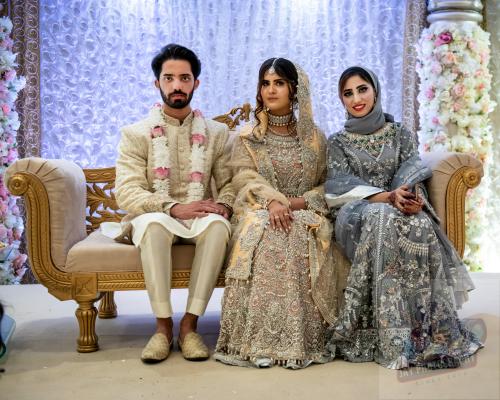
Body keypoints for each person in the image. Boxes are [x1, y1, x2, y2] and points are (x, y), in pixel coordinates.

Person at [324, 66, 482, 369]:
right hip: (359, 212)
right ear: (341, 100)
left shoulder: (400, 134)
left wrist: (412, 199)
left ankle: (425, 331)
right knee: (381, 218)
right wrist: (387, 197)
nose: (356, 98)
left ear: (375, 91)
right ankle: (391, 338)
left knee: (420, 222)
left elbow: (412, 173)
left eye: (362, 89)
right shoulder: (338, 142)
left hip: (399, 204)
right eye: (348, 93)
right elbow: (339, 188)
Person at [111, 43, 234, 363]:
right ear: (157, 83)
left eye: (184, 78)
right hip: (156, 213)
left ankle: (190, 326)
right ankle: (163, 328)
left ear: (196, 83)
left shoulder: (217, 133)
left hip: (199, 216)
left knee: (218, 226)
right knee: (154, 225)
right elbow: (127, 190)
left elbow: (231, 184)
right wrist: (172, 208)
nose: (177, 85)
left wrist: (223, 206)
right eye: (169, 78)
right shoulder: (136, 133)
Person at [214, 58, 339, 369]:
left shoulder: (314, 138)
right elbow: (243, 178)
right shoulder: (249, 137)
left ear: (294, 89)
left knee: (295, 230)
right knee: (270, 230)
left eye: (279, 83)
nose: (271, 90)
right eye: (266, 83)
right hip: (258, 210)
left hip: (305, 211)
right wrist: (272, 201)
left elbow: (328, 184)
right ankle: (258, 341)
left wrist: (297, 203)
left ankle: (298, 340)